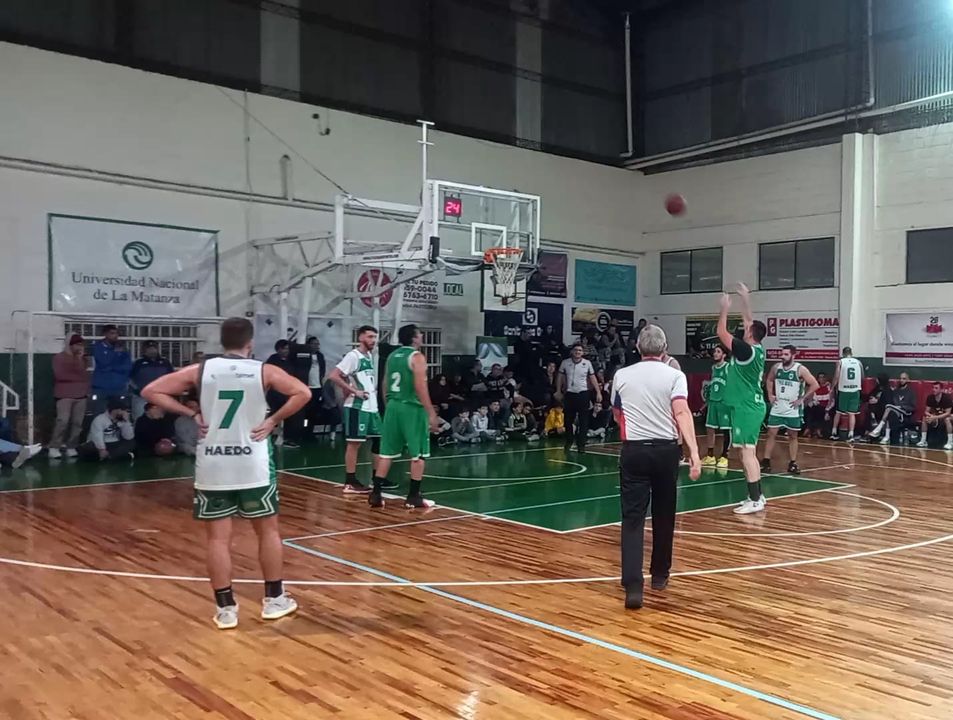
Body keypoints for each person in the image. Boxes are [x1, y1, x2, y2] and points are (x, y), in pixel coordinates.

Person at [141, 317, 310, 630]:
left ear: (222, 342)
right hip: (252, 461)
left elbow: (151, 390)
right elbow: (303, 393)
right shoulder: (264, 370)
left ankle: (225, 610)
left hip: (214, 463)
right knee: (268, 532)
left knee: (218, 539)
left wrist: (191, 413)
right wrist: (273, 421)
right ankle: (274, 600)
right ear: (250, 343)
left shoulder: (201, 370)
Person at [610, 324, 700, 610]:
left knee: (632, 519)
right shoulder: (675, 376)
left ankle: (633, 585)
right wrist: (694, 452)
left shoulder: (621, 375)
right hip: (665, 451)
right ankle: (660, 574)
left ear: (638, 347)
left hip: (634, 450)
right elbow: (682, 412)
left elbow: (617, 414)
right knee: (664, 514)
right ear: (665, 348)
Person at [368, 324, 441, 509]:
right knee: (418, 454)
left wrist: (389, 406)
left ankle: (375, 494)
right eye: (420, 334)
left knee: (386, 453)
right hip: (412, 408)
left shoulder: (392, 356)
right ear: (414, 338)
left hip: (393, 406)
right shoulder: (417, 357)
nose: (422, 336)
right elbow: (420, 387)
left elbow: (384, 383)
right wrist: (431, 412)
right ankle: (414, 496)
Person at [716, 283, 768, 515]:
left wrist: (725, 308)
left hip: (748, 407)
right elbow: (749, 320)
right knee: (745, 451)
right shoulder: (757, 347)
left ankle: (755, 500)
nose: (744, 327)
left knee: (747, 452)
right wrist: (745, 298)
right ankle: (757, 495)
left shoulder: (746, 351)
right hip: (747, 406)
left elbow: (721, 333)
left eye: (747, 328)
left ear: (750, 334)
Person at [326, 325, 382, 494]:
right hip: (357, 406)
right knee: (354, 443)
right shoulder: (353, 356)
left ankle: (377, 480)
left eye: (375, 337)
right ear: (360, 338)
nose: (373, 340)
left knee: (379, 440)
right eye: (370, 337)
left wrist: (348, 387)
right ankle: (350, 481)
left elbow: (347, 377)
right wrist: (353, 391)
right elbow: (334, 375)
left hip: (371, 406)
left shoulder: (369, 356)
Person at [761, 345, 819, 475]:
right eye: (782, 354)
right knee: (771, 434)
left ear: (793, 355)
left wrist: (802, 399)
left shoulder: (800, 369)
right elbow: (769, 379)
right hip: (778, 406)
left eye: (786, 354)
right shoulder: (776, 367)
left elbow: (815, 384)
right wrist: (770, 394)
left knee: (793, 436)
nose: (783, 356)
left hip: (793, 408)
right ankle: (766, 461)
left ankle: (793, 463)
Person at [50, 333, 89, 459]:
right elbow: (60, 375)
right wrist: (75, 374)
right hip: (64, 394)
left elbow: (84, 375)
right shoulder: (59, 358)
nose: (80, 347)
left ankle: (71, 445)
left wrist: (79, 360)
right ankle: (55, 446)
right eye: (77, 344)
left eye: (81, 344)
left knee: (77, 423)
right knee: (63, 421)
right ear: (70, 345)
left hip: (81, 394)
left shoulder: (83, 358)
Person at [557, 344, 602, 453]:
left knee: (583, 421)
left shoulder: (587, 363)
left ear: (583, 353)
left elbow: (592, 377)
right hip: (570, 394)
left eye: (580, 350)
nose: (578, 352)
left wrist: (598, 392)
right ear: (572, 351)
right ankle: (569, 441)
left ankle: (581, 444)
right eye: (576, 350)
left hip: (583, 393)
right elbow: (560, 377)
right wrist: (558, 390)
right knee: (568, 420)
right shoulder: (565, 363)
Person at [266, 340, 309, 447]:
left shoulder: (292, 360)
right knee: (273, 415)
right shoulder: (272, 360)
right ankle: (266, 436)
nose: (287, 351)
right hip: (275, 394)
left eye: (288, 349)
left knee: (291, 416)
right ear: (278, 350)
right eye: (284, 349)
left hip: (288, 394)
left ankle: (288, 439)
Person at [702, 344, 731, 468]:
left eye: (718, 351)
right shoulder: (713, 368)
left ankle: (725, 456)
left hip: (724, 402)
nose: (715, 354)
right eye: (715, 351)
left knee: (726, 429)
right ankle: (710, 456)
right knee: (710, 428)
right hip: (713, 401)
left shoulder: (728, 367)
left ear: (724, 354)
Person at [91, 325, 131, 414]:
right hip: (101, 388)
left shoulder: (122, 348)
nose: (115, 336)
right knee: (99, 414)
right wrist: (116, 354)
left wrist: (113, 368)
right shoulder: (98, 347)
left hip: (118, 387)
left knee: (120, 414)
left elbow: (127, 366)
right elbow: (103, 362)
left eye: (116, 333)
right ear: (105, 334)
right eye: (112, 333)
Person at [129, 341, 175, 420]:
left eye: (154, 348)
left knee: (161, 420)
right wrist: (137, 391)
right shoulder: (138, 363)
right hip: (141, 398)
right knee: (140, 419)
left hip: (160, 397)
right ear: (144, 350)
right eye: (149, 349)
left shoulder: (165, 363)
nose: (152, 350)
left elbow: (172, 378)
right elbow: (130, 379)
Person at [868, 372, 916, 445]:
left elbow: (912, 406)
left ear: (908, 380)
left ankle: (878, 429)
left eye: (904, 379)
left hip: (905, 412)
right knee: (889, 410)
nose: (901, 380)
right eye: (900, 378)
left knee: (888, 407)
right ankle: (887, 437)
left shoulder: (911, 392)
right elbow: (893, 402)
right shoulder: (896, 391)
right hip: (894, 409)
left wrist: (901, 406)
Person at [829, 347, 864, 442]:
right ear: (851, 353)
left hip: (843, 390)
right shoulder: (858, 362)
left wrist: (832, 387)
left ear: (843, 353)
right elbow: (862, 377)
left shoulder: (840, 362)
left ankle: (833, 432)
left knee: (839, 412)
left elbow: (836, 376)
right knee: (852, 414)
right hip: (855, 390)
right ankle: (851, 435)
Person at [917, 383, 953, 449]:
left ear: (941, 390)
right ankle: (923, 441)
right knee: (925, 418)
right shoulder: (930, 397)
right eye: (933, 388)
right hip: (937, 416)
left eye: (936, 388)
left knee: (947, 419)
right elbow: (926, 411)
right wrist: (931, 416)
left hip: (949, 416)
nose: (934, 389)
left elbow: (948, 413)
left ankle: (950, 442)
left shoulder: (947, 398)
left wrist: (935, 417)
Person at [302, 336, 326, 435]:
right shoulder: (304, 356)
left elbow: (323, 369)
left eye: (317, 344)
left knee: (314, 411)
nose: (316, 346)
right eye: (314, 344)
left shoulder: (320, 356)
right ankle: (303, 430)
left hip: (317, 387)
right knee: (305, 411)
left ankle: (310, 431)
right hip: (306, 387)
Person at [804, 372, 833, 438]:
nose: (822, 379)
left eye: (823, 377)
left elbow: (831, 400)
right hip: (818, 406)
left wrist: (827, 410)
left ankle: (817, 429)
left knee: (819, 410)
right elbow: (813, 399)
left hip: (827, 407)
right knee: (809, 409)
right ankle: (808, 429)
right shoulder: (816, 387)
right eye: (820, 377)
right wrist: (812, 403)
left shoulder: (829, 387)